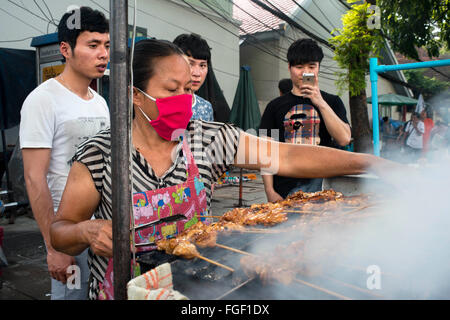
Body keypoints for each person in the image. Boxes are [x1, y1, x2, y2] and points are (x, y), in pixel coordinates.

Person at [50, 39, 401, 300]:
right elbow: (60, 232)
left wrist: (369, 162)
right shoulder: (101, 153)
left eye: (188, 89)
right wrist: (85, 231)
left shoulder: (207, 139)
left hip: (199, 288)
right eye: (171, 90)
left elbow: (288, 157)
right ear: (135, 95)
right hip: (127, 291)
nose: (184, 100)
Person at [20, 6, 110, 300]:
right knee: (71, 297)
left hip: (102, 230)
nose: (103, 54)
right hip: (67, 233)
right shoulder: (43, 100)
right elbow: (34, 178)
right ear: (66, 49)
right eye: (93, 45)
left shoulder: (100, 103)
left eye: (106, 45)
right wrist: (53, 246)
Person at [259, 38, 351, 201]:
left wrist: (319, 102)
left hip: (322, 188)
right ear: (289, 67)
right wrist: (269, 191)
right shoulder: (274, 106)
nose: (304, 72)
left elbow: (344, 139)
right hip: (285, 190)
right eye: (299, 67)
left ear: (318, 68)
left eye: (311, 67)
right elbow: (266, 150)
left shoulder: (332, 102)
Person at [173, 33, 214, 121]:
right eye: (190, 64)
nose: (197, 73)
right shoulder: (161, 103)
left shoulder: (206, 108)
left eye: (202, 65)